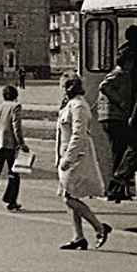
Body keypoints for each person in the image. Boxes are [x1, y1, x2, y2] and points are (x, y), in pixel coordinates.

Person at [56, 74, 112, 250]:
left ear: (69, 87)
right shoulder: (71, 104)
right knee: (70, 195)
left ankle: (100, 227)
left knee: (69, 197)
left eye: (63, 87)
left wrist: (68, 158)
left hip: (76, 158)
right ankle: (78, 237)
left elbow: (78, 134)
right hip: (68, 156)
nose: (61, 90)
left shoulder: (79, 106)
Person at [96, 52, 137, 202]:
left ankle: (115, 190)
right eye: (131, 62)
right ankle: (118, 180)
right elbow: (104, 86)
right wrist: (120, 101)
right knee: (135, 145)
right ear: (126, 63)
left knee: (118, 152)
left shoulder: (121, 74)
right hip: (113, 117)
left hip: (110, 118)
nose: (133, 65)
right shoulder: (119, 74)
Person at [0, 84, 29, 211]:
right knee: (13, 173)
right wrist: (22, 144)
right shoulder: (15, 107)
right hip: (8, 144)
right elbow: (16, 127)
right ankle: (11, 200)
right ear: (15, 96)